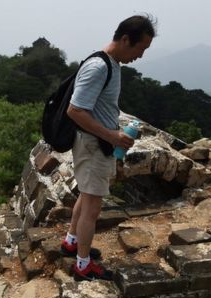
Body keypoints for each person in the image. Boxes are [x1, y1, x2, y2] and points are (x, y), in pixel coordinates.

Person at [59, 15, 156, 281]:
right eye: (140, 48)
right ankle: (82, 265)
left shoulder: (110, 64)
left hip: (92, 143)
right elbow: (75, 110)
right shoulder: (99, 67)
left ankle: (71, 242)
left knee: (86, 196)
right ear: (125, 39)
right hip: (93, 145)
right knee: (92, 208)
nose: (140, 55)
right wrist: (112, 136)